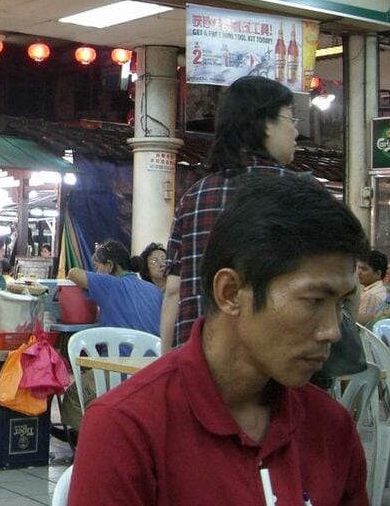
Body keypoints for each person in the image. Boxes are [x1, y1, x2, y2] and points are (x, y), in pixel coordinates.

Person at [69, 174, 369, 506]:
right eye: (313, 301)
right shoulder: (127, 428)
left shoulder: (331, 427)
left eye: (341, 305)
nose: (333, 331)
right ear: (230, 292)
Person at [161, 76, 299, 351]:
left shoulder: (194, 197)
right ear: (266, 123)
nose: (296, 131)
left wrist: (169, 364)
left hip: (200, 359)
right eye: (291, 119)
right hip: (275, 360)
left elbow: (174, 291)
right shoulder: (300, 194)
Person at [61, 239, 164, 437]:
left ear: (109, 266)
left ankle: (99, 441)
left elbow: (73, 273)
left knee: (72, 398)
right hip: (153, 374)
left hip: (118, 372)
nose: (96, 272)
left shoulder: (109, 284)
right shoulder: (154, 290)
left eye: (97, 267)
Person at [356, 249, 388, 325]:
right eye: (358, 268)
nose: (359, 272)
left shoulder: (371, 296)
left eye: (364, 269)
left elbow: (361, 325)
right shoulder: (377, 289)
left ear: (377, 273)